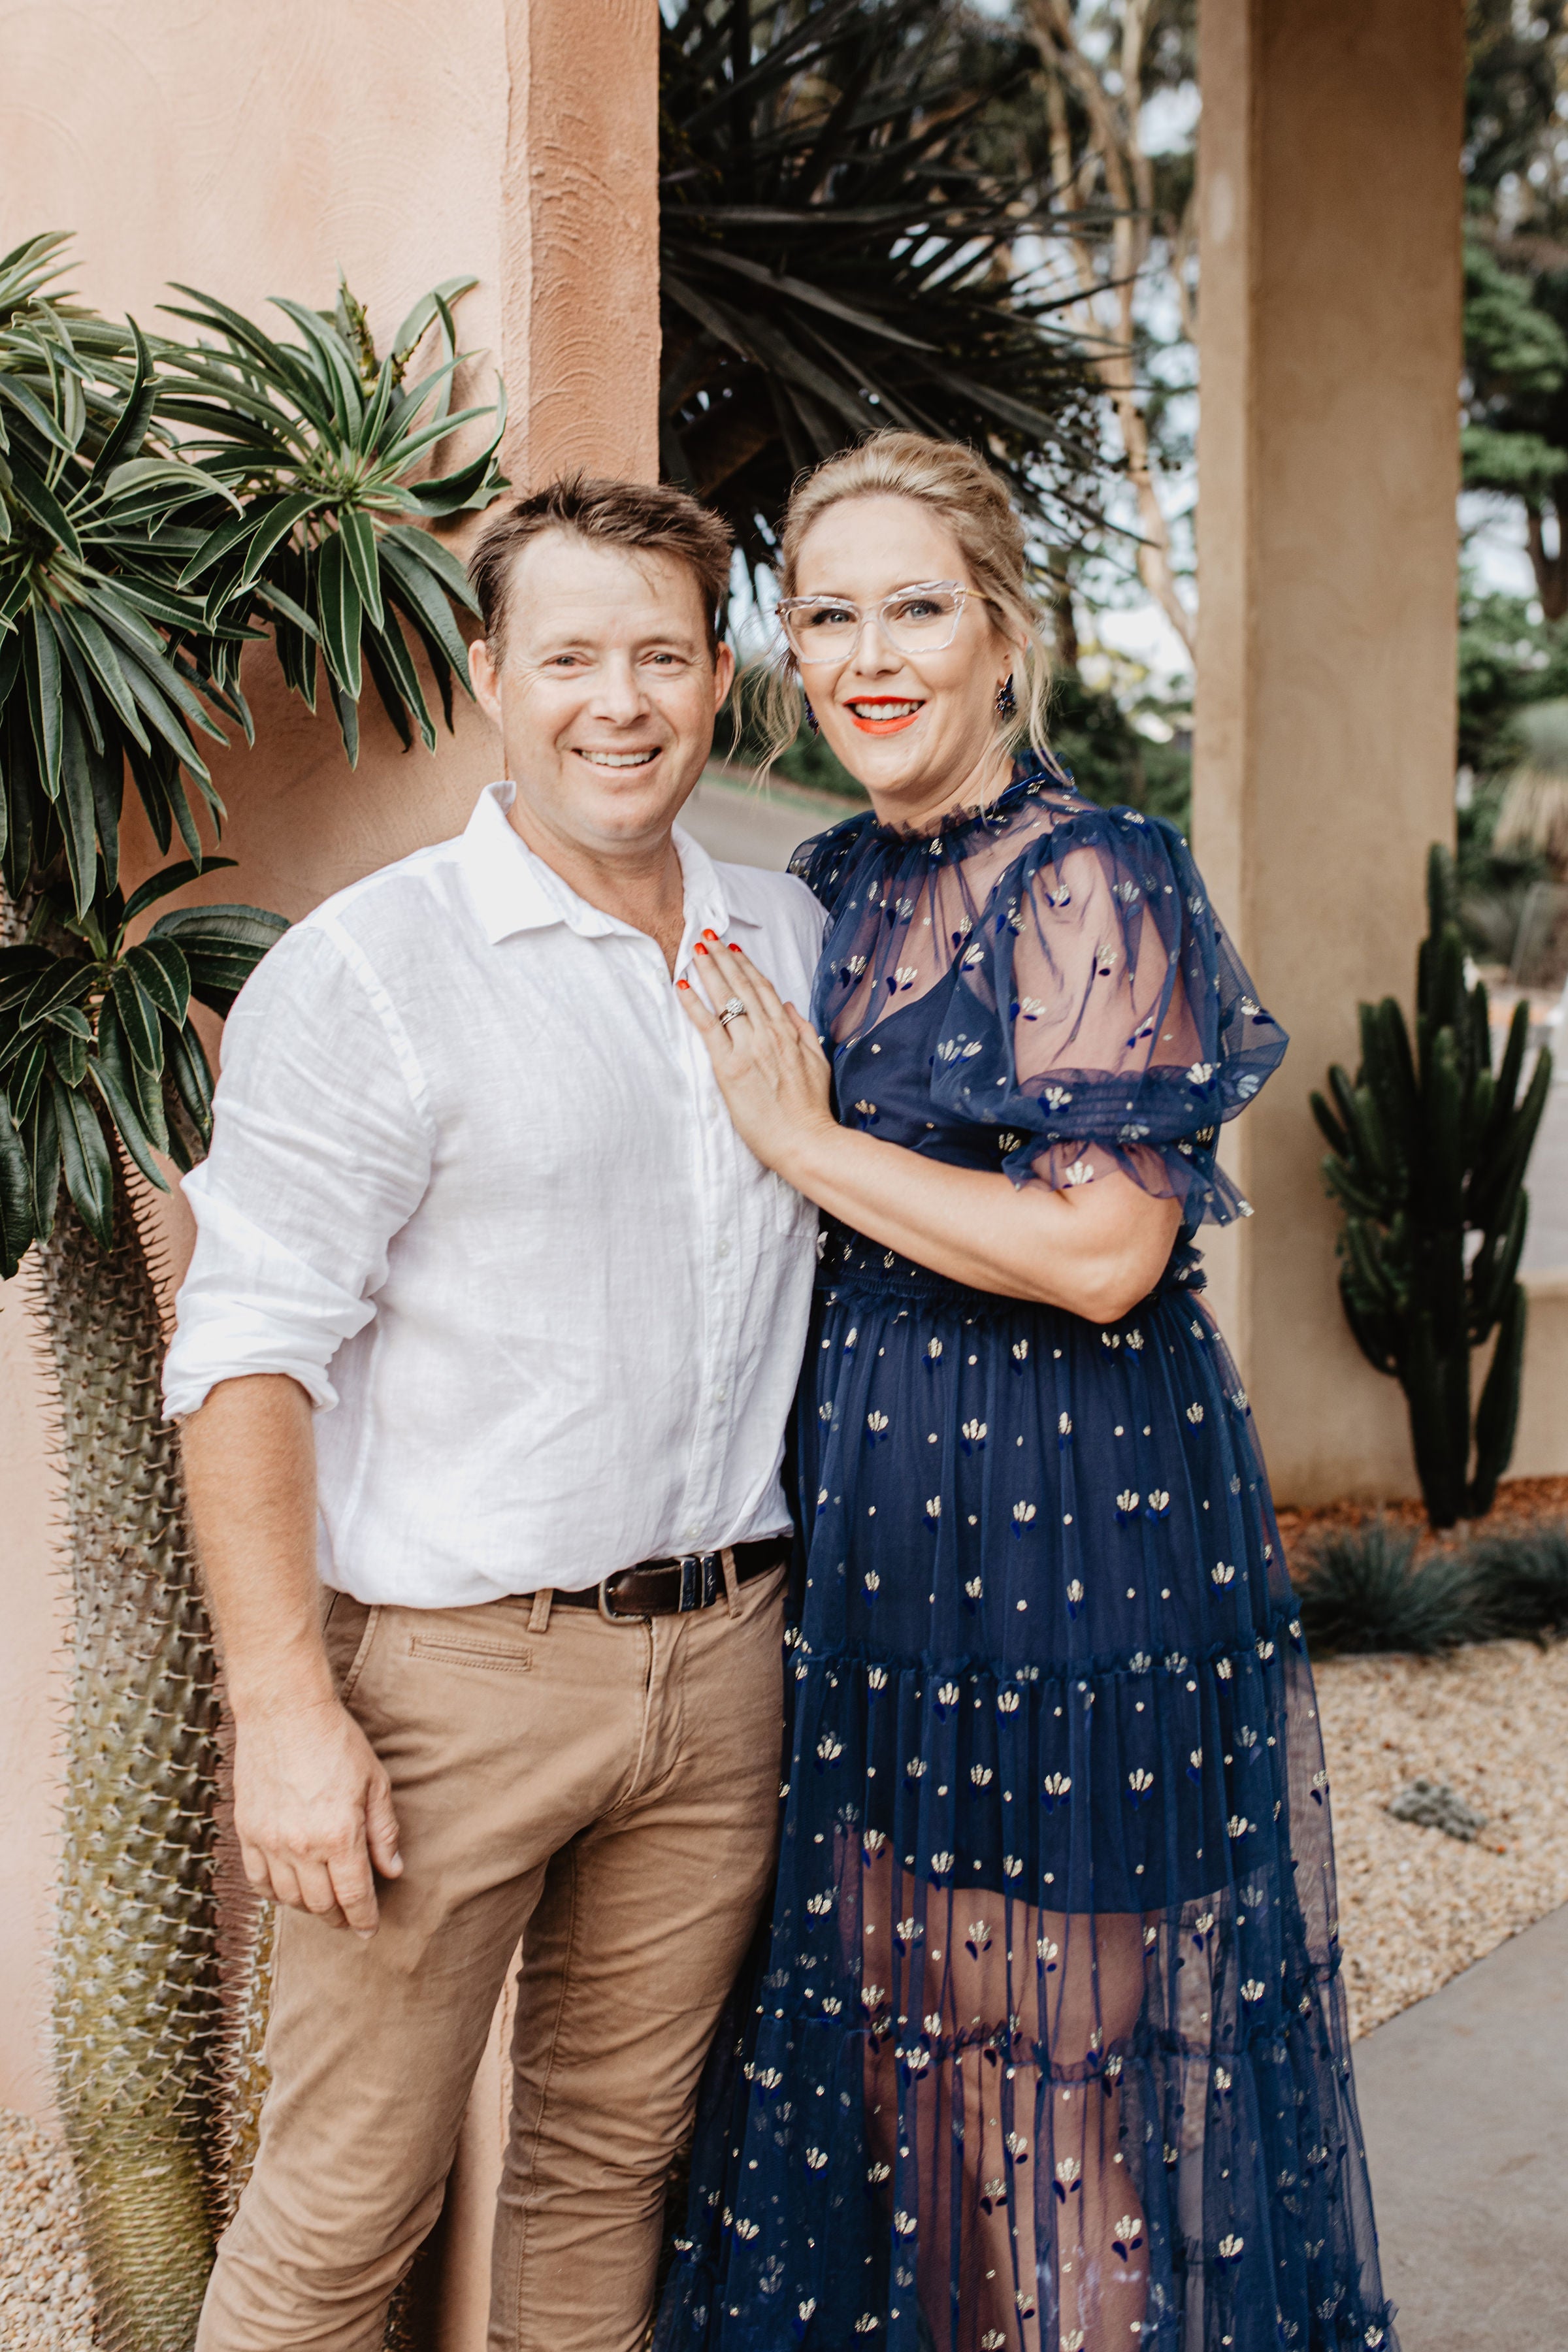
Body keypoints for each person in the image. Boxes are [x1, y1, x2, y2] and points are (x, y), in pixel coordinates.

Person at [657, 433, 1396, 2352]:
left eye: (917, 609)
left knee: (1056, 2097)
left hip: (1070, 1545)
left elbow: (1103, 1253)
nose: (868, 656)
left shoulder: (1090, 875)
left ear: (1003, 635)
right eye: (829, 615)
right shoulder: (834, 880)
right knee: (909, 2068)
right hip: (877, 1557)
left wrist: (803, 1143)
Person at [163, 475, 829, 2352]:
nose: (618, 702)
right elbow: (246, 1350)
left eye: (662, 657)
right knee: (342, 2214)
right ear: (488, 676)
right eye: (569, 657)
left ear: (719, 680)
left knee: (610, 2174)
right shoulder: (374, 971)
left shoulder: (790, 938)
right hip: (448, 1683)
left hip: (725, 1668)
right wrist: (284, 1714)